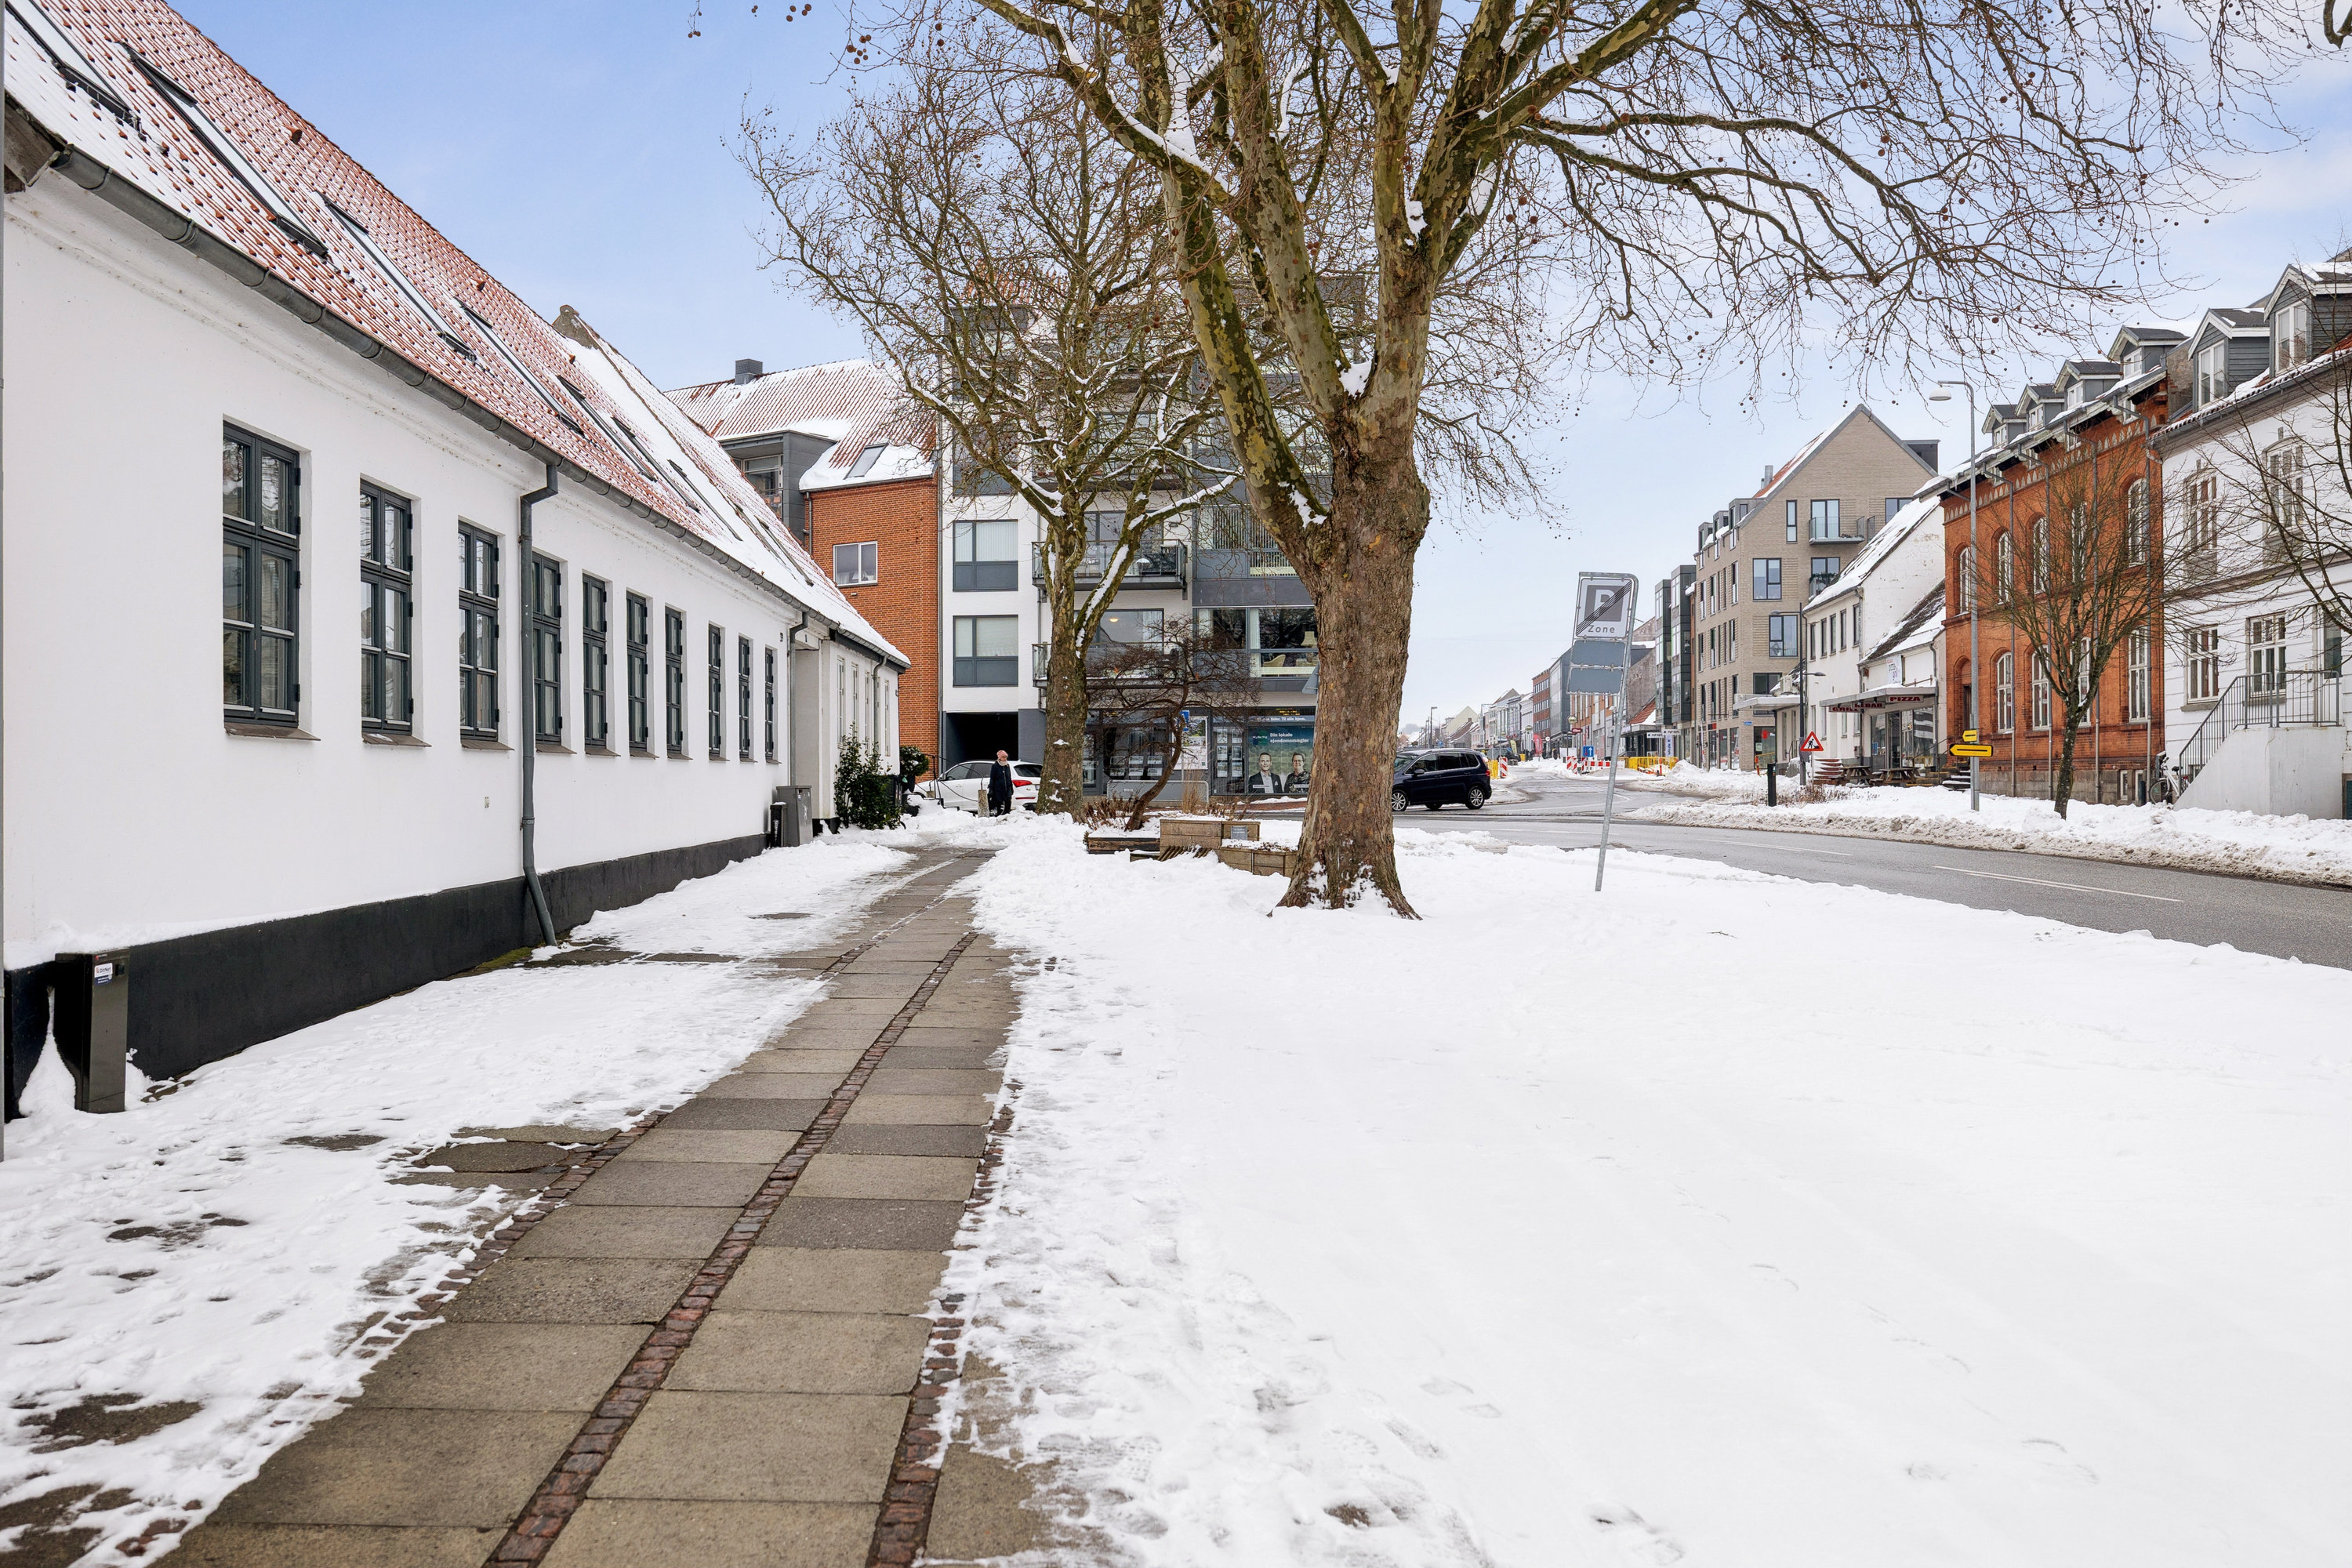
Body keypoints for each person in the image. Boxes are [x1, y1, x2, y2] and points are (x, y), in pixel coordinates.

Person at [985, 750, 1014, 815]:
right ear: (999, 758)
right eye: (1003, 757)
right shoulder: (995, 766)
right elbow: (992, 778)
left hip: (1008, 788)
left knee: (1008, 802)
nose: (1005, 759)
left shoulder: (1007, 766)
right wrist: (991, 789)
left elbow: (1009, 777)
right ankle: (999, 815)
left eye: (1006, 757)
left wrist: (1011, 788)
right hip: (998, 789)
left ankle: (1007, 814)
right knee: (999, 803)